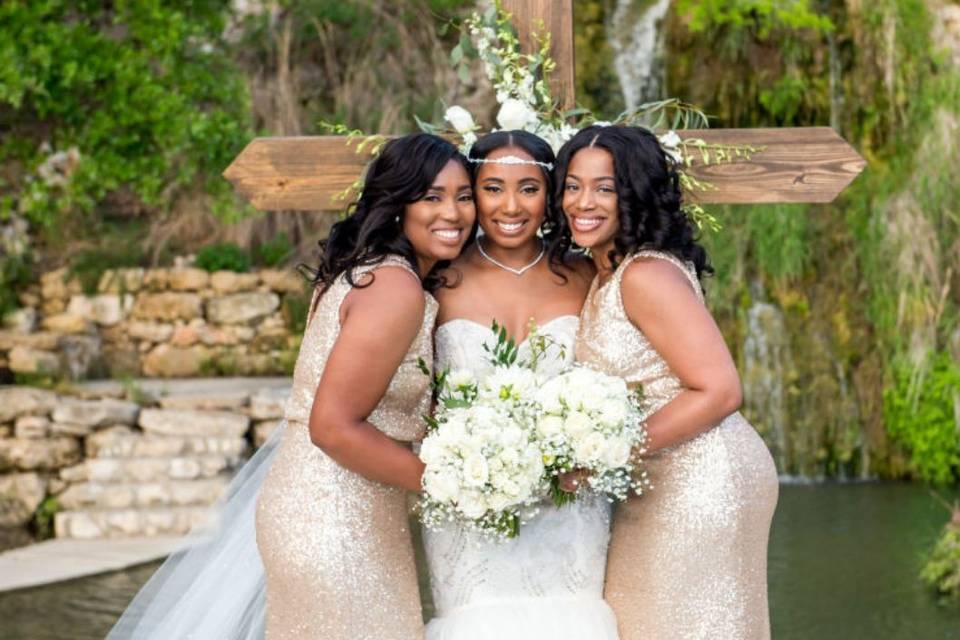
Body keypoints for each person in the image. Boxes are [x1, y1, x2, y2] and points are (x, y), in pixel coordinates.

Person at [108, 132, 475, 640]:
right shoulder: (395, 288)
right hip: (336, 515)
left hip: (327, 505)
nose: (453, 212)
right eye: (432, 197)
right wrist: (451, 485)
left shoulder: (369, 273)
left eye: (463, 196)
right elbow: (332, 426)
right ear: (396, 205)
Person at [556, 125, 779, 640]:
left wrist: (603, 456)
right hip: (658, 474)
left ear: (634, 192)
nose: (581, 202)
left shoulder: (644, 275)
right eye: (572, 185)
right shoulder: (606, 273)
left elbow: (721, 389)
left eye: (604, 188)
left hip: (703, 477)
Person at [423, 130, 619, 640]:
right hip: (468, 506)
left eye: (528, 188)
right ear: (472, 193)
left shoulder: (588, 275)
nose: (510, 206)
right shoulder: (435, 278)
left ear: (549, 195)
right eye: (492, 188)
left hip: (570, 505)